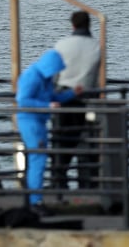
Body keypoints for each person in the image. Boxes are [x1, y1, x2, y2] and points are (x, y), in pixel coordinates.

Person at [16, 50, 81, 216]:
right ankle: (35, 201)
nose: (57, 73)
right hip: (30, 122)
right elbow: (23, 100)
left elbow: (54, 98)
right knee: (38, 159)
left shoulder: (44, 79)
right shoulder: (32, 76)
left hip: (38, 121)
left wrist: (72, 93)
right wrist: (47, 106)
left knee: (38, 159)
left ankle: (34, 199)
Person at [52, 11, 101, 192]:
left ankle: (59, 182)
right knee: (85, 142)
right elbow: (96, 76)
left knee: (60, 141)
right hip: (86, 99)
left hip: (63, 97)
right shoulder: (96, 46)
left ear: (72, 25)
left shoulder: (62, 44)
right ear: (89, 25)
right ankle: (87, 184)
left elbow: (55, 74)